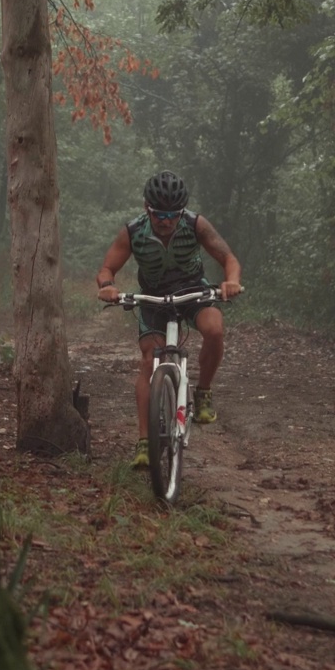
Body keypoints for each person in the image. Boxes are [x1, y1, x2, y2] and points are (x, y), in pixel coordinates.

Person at [96, 170, 242, 468]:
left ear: (181, 211)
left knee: (214, 329)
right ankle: (144, 441)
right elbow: (106, 268)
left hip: (193, 290)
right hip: (153, 298)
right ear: (146, 208)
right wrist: (107, 287)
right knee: (149, 360)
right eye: (159, 214)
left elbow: (228, 258)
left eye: (172, 214)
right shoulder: (134, 231)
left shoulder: (195, 224)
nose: (165, 220)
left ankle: (202, 393)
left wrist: (231, 281)